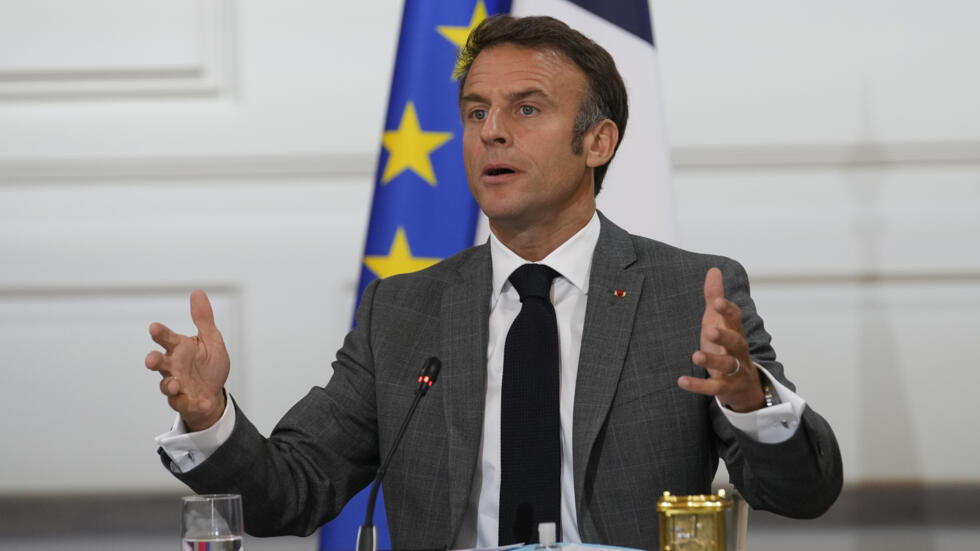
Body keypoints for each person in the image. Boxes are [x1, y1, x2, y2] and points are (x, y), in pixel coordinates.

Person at [147, 15, 842, 550]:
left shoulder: (686, 294)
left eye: (526, 109)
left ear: (598, 142)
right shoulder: (403, 309)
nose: (492, 133)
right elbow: (291, 492)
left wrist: (751, 401)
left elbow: (804, 491)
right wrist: (209, 416)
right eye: (477, 112)